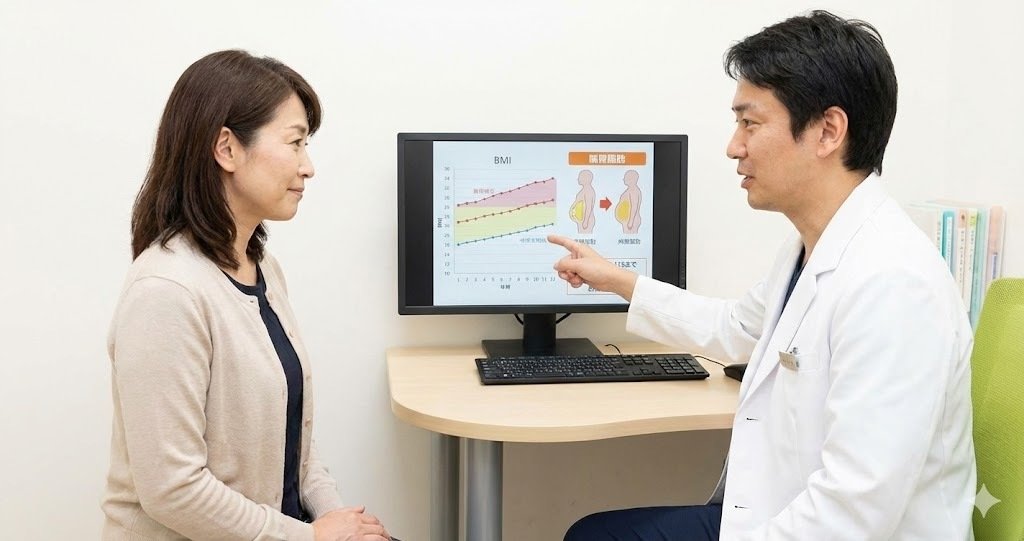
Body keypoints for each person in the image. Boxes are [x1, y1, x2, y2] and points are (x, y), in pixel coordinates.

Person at [551, 10, 975, 540]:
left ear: (827, 131)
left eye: (749, 123)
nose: (734, 146)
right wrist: (616, 280)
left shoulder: (894, 285)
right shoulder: (811, 247)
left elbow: (851, 515)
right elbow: (736, 328)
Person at [102, 50, 393, 541]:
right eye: (295, 143)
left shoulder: (264, 270)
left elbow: (297, 452)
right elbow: (173, 490)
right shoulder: (167, 292)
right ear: (227, 149)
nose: (308, 167)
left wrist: (346, 524)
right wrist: (314, 537)